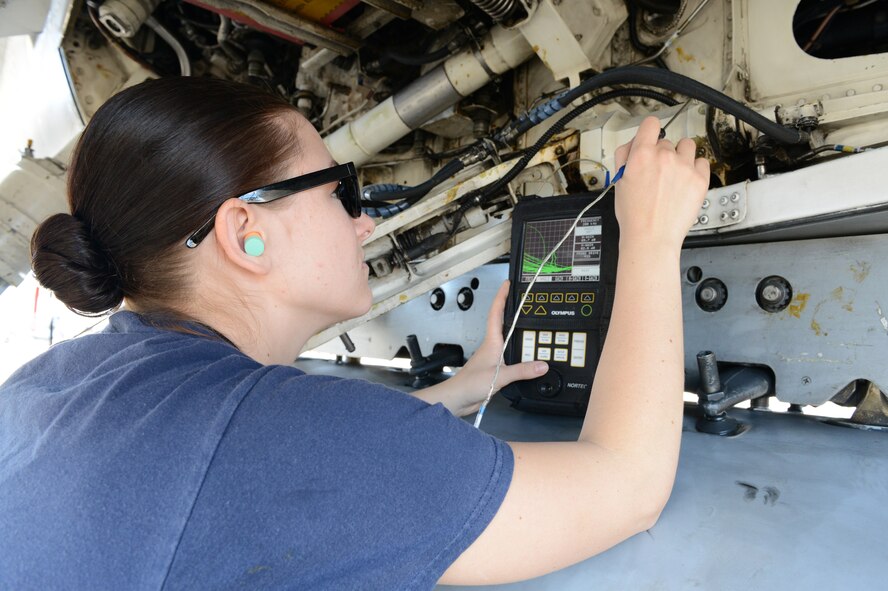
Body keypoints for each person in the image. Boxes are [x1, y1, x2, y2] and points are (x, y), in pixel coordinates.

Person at [0, 76, 709, 589]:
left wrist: (463, 387)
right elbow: (627, 487)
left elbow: (283, 474)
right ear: (246, 233)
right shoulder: (285, 438)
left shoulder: (46, 385)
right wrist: (648, 234)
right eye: (339, 191)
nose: (363, 221)